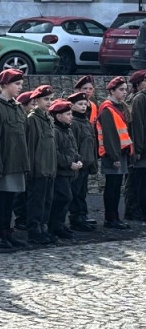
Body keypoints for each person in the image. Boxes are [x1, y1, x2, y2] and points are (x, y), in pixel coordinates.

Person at [0, 69, 30, 251]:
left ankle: (6, 232)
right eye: (17, 84)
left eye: (21, 84)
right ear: (4, 85)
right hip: (3, 161)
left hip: (16, 160)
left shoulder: (18, 107)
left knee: (10, 200)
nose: (20, 88)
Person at [97, 76, 132, 230]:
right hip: (113, 155)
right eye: (121, 89)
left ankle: (114, 217)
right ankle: (110, 218)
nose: (125, 92)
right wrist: (114, 157)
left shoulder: (118, 106)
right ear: (112, 91)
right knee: (112, 187)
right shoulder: (107, 109)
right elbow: (110, 135)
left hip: (120, 153)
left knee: (116, 187)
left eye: (125, 89)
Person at [24, 84, 57, 245]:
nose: (49, 102)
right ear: (36, 100)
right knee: (36, 201)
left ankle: (43, 227)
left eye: (51, 99)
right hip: (38, 168)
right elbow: (31, 146)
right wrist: (31, 169)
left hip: (49, 168)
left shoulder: (48, 119)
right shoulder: (33, 119)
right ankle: (34, 230)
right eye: (46, 99)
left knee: (47, 200)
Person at [49, 100, 81, 240]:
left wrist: (78, 159)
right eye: (67, 114)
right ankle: (55, 226)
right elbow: (55, 153)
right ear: (58, 116)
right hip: (61, 172)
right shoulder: (56, 131)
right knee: (63, 198)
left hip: (69, 172)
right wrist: (69, 163)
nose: (71, 116)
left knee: (66, 198)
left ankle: (59, 224)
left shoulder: (67, 129)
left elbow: (73, 149)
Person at [68, 91, 98, 232]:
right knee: (76, 192)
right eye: (79, 104)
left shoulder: (86, 122)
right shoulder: (74, 124)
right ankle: (76, 218)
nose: (83, 107)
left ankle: (82, 215)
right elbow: (73, 145)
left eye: (85, 104)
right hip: (78, 165)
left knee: (82, 191)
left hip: (86, 163)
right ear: (72, 106)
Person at [124, 70, 146, 221]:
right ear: (138, 84)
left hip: (142, 146)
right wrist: (138, 148)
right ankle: (134, 210)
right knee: (136, 181)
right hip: (141, 147)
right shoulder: (139, 99)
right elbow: (137, 125)